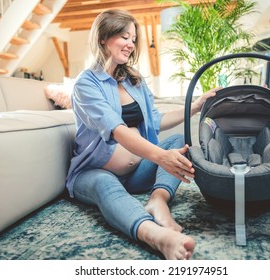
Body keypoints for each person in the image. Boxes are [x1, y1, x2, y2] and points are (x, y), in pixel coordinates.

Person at [66, 9, 218, 260]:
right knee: (107, 184)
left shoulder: (133, 81)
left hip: (136, 176)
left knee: (179, 142)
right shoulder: (86, 84)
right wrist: (161, 157)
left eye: (133, 39)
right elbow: (117, 130)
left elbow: (155, 121)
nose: (130, 44)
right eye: (124, 37)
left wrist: (196, 105)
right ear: (103, 37)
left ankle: (158, 200)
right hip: (93, 173)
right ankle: (156, 236)